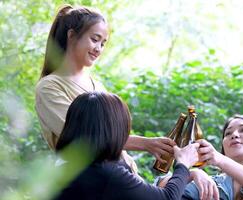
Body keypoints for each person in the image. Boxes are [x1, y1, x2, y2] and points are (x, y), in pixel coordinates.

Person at [35, 4, 175, 173]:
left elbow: (112, 139)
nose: (98, 49)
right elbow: (83, 138)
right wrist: (146, 144)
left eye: (103, 43)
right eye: (94, 39)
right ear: (71, 36)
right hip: (82, 178)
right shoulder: (49, 87)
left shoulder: (97, 86)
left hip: (117, 175)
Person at [53, 92, 200, 200]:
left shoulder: (66, 164)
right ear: (115, 128)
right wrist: (183, 164)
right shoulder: (105, 172)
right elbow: (167, 198)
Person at [157, 115, 243, 200]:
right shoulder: (213, 183)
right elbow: (161, 191)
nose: (234, 135)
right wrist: (192, 173)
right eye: (228, 133)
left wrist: (219, 159)